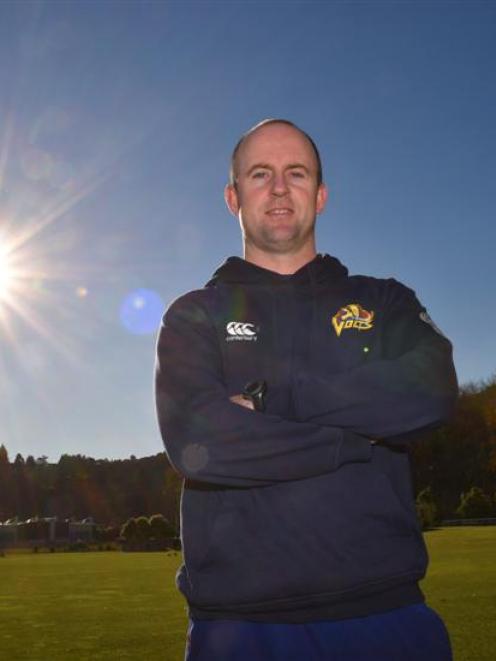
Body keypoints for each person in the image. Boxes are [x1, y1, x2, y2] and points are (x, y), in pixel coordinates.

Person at [155, 119, 458, 660]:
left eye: (295, 173)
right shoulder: (194, 315)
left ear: (320, 194)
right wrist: (360, 439)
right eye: (259, 174)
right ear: (233, 197)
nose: (278, 187)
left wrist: (275, 402)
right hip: (241, 629)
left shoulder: (383, 301)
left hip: (386, 614)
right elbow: (202, 448)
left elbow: (430, 391)